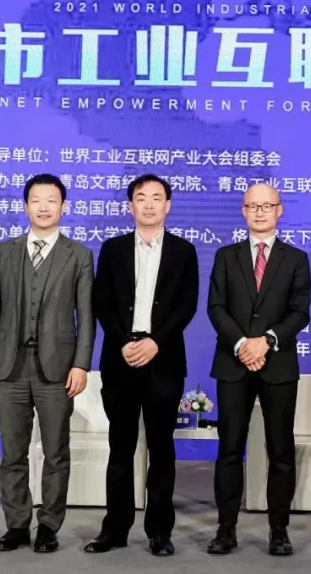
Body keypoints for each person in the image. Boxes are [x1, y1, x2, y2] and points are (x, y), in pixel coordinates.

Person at [0, 173, 95, 553]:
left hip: (57, 369)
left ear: (64, 207)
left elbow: (86, 316)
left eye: (51, 200)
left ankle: (48, 525)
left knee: (56, 452)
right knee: (12, 453)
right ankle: (16, 525)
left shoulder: (79, 255)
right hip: (10, 366)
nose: (44, 207)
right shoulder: (4, 252)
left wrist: (80, 365)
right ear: (26, 206)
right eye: (36, 200)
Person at [85, 174, 199, 557]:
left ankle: (159, 532)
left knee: (162, 449)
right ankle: (114, 529)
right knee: (120, 448)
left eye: (156, 198)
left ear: (168, 206)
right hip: (120, 360)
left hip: (164, 360)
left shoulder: (184, 251)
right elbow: (102, 302)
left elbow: (186, 306)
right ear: (130, 206)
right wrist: (124, 342)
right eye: (141, 198)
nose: (148, 204)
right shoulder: (113, 249)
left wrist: (154, 342)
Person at [206, 183, 311, 556]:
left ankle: (279, 530)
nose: (260, 212)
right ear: (243, 211)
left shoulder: (295, 258)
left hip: (277, 364)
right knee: (229, 449)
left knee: (280, 450)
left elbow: (300, 312)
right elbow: (216, 307)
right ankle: (225, 529)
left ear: (280, 210)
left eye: (267, 206)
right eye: (253, 206)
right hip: (232, 364)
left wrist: (265, 341)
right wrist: (241, 345)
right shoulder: (226, 256)